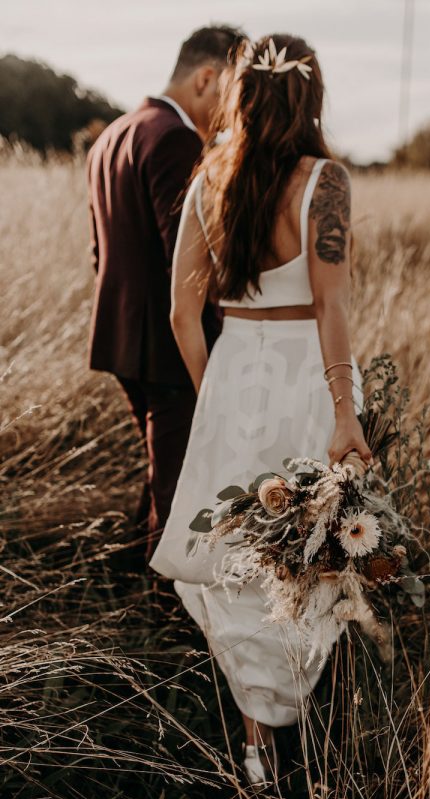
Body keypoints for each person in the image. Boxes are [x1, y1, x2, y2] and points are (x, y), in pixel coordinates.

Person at [149, 34, 373, 787]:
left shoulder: (209, 178)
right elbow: (332, 306)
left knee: (239, 563)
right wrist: (346, 416)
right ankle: (299, 737)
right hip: (307, 378)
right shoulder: (326, 181)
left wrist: (218, 394)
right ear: (310, 97)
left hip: (235, 378)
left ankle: (256, 748)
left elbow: (183, 314)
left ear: (242, 93)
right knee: (309, 556)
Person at [86, 25, 245, 563]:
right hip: (167, 343)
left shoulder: (114, 133)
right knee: (177, 482)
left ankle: (127, 568)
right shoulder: (176, 140)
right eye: (233, 89)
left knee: (163, 463)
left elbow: (98, 250)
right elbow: (190, 264)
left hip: (119, 336)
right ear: (207, 78)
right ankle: (164, 613)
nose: (233, 110)